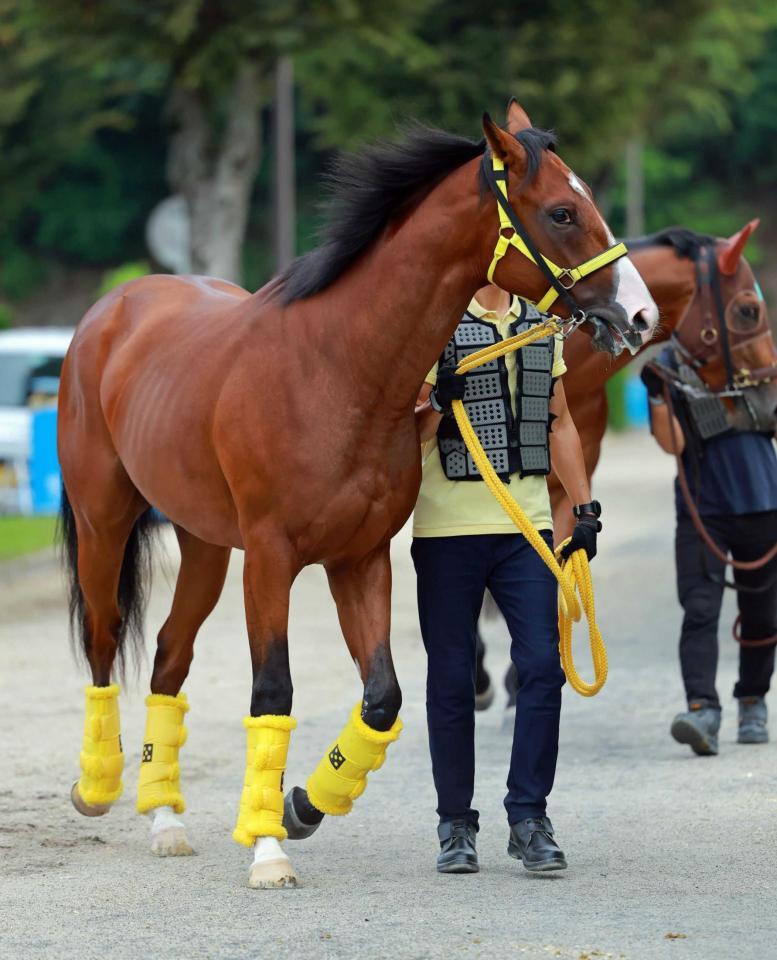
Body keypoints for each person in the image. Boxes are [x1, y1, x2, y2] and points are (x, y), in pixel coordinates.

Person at [413, 283, 600, 874]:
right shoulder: (434, 324)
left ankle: (528, 816)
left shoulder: (542, 327)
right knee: (450, 677)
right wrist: (439, 402)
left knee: (544, 667)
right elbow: (404, 431)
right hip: (448, 530)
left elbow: (561, 420)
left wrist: (584, 506)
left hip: (528, 528)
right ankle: (455, 825)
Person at [641, 355, 777, 756]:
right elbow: (673, 444)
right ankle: (702, 709)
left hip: (763, 503)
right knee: (700, 609)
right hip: (702, 510)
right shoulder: (669, 365)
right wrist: (657, 398)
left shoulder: (757, 354)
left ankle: (752, 699)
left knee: (763, 616)